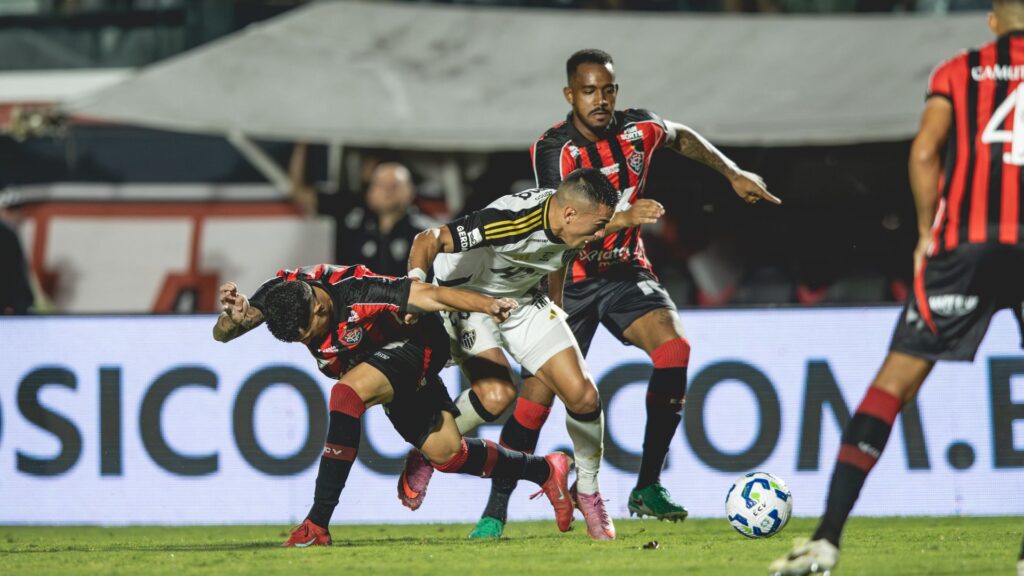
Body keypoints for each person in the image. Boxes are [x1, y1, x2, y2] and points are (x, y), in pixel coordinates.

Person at [453, 48, 779, 540]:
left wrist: (733, 173)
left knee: (675, 350)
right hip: (572, 277)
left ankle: (647, 485)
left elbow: (682, 137)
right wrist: (565, 288)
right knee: (534, 402)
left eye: (607, 90)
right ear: (570, 95)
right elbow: (560, 226)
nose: (600, 100)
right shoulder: (554, 150)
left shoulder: (637, 130)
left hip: (626, 271)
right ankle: (495, 510)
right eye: (589, 91)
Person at [771, 3, 1024, 574]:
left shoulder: (959, 69)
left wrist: (925, 232)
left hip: (963, 247)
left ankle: (826, 540)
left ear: (992, 21)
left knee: (893, 385)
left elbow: (924, 150)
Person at [211, 263, 574, 546]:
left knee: (346, 396)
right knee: (448, 455)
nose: (309, 341)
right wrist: (233, 318)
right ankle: (544, 470)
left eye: (309, 334)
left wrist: (489, 304)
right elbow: (223, 334)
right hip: (378, 365)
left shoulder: (360, 292)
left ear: (320, 308)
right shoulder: (282, 294)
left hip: (420, 346)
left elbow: (433, 296)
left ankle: (317, 523)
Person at [399, 167, 622, 540]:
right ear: (570, 213)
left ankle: (587, 489)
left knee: (584, 397)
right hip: (468, 298)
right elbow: (428, 238)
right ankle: (426, 449)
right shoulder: (510, 221)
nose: (600, 233)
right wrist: (416, 290)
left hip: (521, 299)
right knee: (497, 395)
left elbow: (558, 255)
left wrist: (557, 304)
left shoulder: (572, 221)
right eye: (598, 225)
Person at [289, 143, 435, 276]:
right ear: (369, 190)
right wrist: (303, 143)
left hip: (404, 303)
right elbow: (300, 193)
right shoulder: (349, 211)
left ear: (410, 191)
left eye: (394, 186)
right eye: (381, 185)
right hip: (352, 302)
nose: (387, 192)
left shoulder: (426, 231)